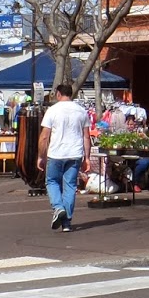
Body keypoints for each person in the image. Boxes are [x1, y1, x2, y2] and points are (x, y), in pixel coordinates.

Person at [38, 82, 89, 232]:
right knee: (70, 186)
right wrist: (87, 157)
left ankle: (58, 208)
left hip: (56, 153)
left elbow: (44, 137)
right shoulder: (81, 111)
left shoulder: (52, 111)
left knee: (52, 182)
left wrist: (41, 156)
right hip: (75, 153)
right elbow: (86, 137)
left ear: (58, 94)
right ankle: (66, 223)